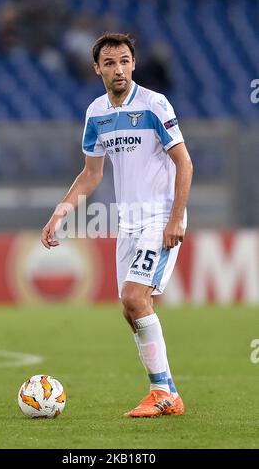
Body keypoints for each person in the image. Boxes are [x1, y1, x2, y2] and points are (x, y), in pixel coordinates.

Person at [41, 33, 193, 418]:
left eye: (124, 61)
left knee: (134, 298)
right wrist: (61, 212)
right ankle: (166, 393)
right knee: (130, 308)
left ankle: (163, 393)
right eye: (110, 63)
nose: (119, 69)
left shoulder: (154, 105)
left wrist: (176, 217)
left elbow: (184, 163)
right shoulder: (96, 113)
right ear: (97, 69)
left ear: (134, 64)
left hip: (159, 218)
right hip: (128, 222)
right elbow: (91, 175)